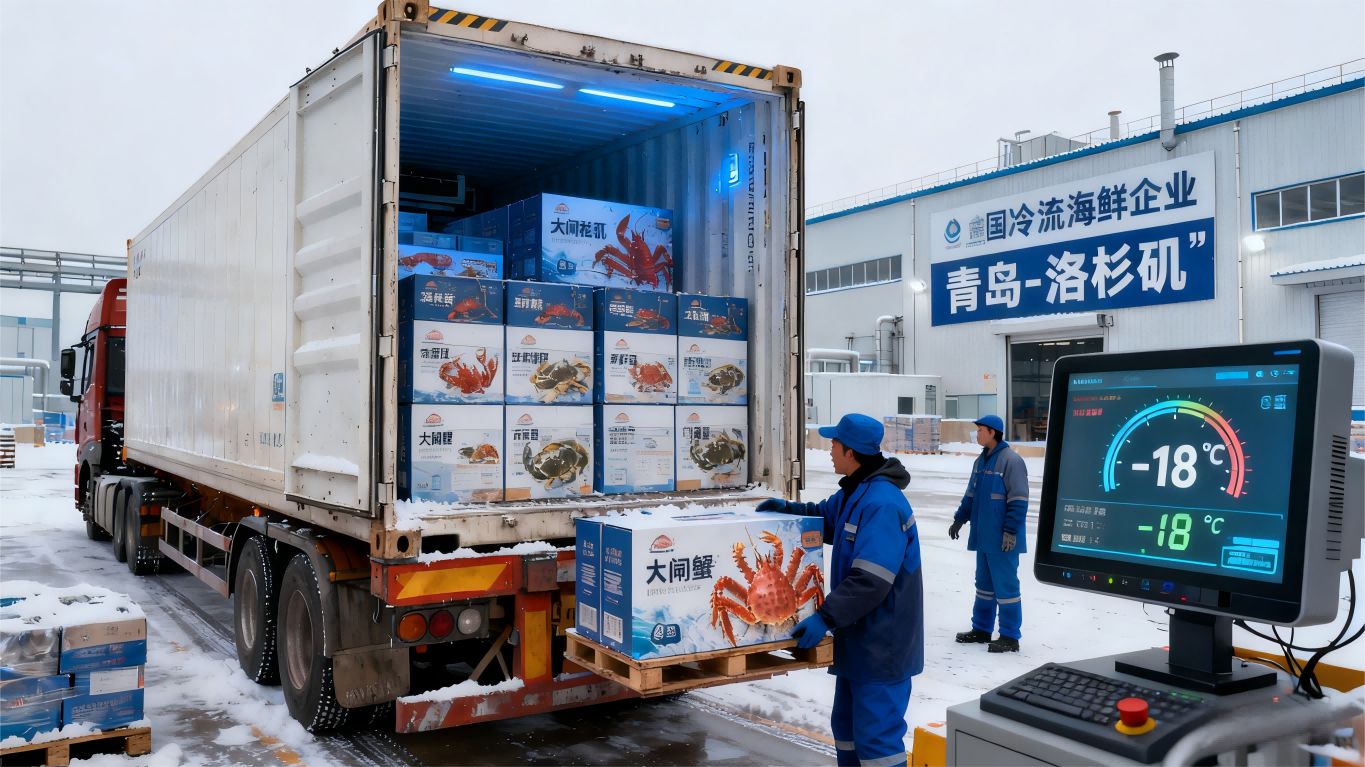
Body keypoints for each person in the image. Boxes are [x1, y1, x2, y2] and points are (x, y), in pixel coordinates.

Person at [757, 413, 923, 767]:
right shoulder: (856, 489)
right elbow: (825, 518)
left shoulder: (882, 504)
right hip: (857, 642)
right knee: (847, 733)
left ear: (851, 451)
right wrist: (789, 511)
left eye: (834, 443)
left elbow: (871, 581)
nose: (829, 449)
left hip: (882, 646)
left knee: (877, 742)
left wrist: (825, 617)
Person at [949, 414, 1029, 653]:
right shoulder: (980, 462)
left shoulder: (1011, 461)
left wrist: (1011, 532)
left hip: (1003, 539)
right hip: (983, 536)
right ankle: (982, 629)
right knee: (983, 585)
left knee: (1006, 588)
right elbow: (970, 495)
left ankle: (1010, 636)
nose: (977, 433)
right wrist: (959, 519)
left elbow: (1019, 500)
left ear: (993, 432)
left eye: (980, 429)